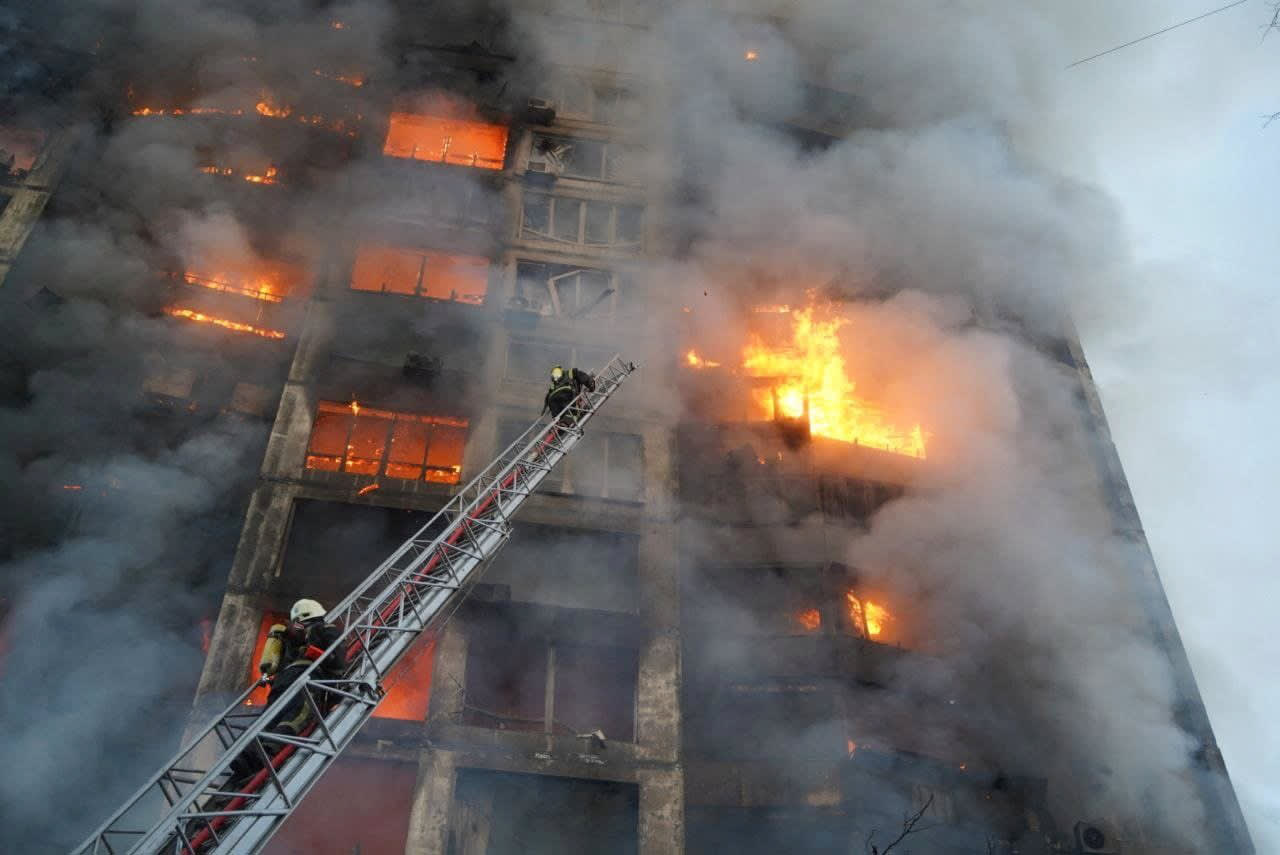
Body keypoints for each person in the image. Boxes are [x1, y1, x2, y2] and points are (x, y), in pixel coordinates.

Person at [259, 598, 345, 735]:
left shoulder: (290, 633)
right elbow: (337, 664)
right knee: (297, 716)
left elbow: (297, 628)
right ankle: (271, 748)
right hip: (305, 677)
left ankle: (248, 752)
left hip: (282, 680)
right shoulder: (323, 628)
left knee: (267, 719)